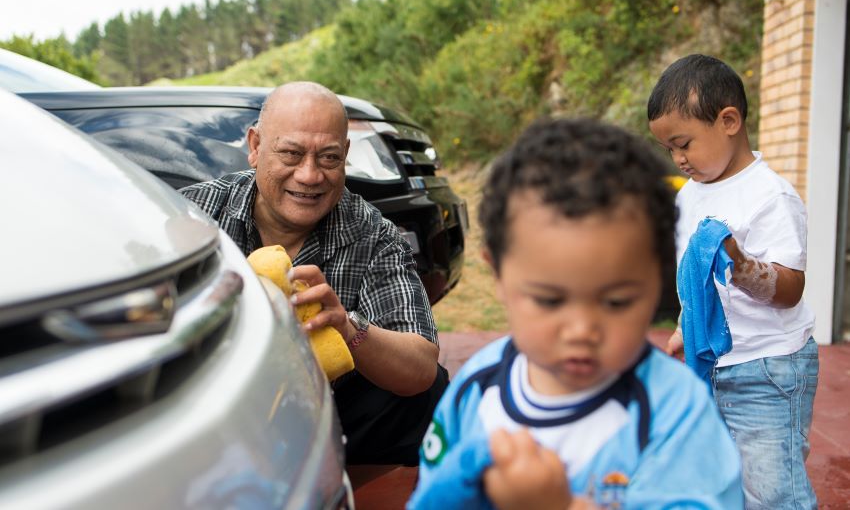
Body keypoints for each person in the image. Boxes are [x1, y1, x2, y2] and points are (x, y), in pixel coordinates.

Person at [407, 118, 743, 510]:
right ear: (498, 273)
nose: (582, 330)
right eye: (549, 301)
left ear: (657, 281)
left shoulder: (676, 411)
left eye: (617, 302)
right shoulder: (475, 393)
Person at [180, 81, 449, 472]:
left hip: (328, 415)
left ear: (345, 157)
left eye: (328, 157)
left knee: (429, 393)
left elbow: (421, 368)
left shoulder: (374, 235)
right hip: (218, 416)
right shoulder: (193, 213)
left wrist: (346, 325)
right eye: (290, 153)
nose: (309, 176)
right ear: (255, 147)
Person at [648, 53, 819, 509]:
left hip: (769, 368)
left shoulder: (770, 196)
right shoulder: (691, 196)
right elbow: (694, 275)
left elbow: (789, 290)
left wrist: (742, 266)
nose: (679, 158)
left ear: (728, 121)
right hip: (716, 367)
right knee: (722, 482)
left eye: (684, 143)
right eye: (670, 150)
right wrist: (687, 327)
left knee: (771, 489)